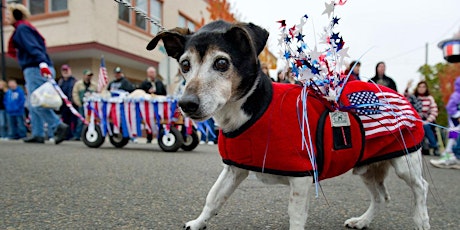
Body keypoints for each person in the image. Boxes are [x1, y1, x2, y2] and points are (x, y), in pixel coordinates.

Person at [5, 3, 69, 144]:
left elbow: (33, 47)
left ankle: (57, 125)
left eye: (8, 15)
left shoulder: (22, 29)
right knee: (34, 101)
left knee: (36, 101)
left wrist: (42, 63)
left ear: (16, 15)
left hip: (35, 68)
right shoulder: (24, 28)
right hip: (35, 67)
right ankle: (38, 133)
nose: (6, 18)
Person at [430, 76, 460, 169]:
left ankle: (451, 154)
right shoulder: (456, 96)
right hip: (455, 122)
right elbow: (450, 108)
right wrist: (458, 116)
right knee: (452, 137)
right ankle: (449, 154)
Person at [405, 80, 439, 155]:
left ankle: (434, 146)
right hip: (416, 119)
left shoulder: (430, 98)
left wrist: (428, 120)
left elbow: (434, 111)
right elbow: (406, 98)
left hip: (427, 120)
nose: (421, 88)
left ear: (426, 88)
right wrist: (407, 87)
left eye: (423, 87)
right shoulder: (414, 98)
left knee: (426, 126)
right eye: (419, 87)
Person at [140, 66, 167, 143]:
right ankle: (149, 138)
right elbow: (141, 93)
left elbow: (164, 93)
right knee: (149, 120)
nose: (152, 74)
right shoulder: (144, 83)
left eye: (153, 72)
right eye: (150, 72)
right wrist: (149, 92)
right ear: (147, 74)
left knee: (160, 120)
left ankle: (161, 137)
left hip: (159, 106)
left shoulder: (159, 83)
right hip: (148, 106)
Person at [72, 69, 97, 141]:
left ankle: (87, 135)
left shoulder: (94, 85)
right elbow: (75, 93)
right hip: (82, 105)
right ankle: (77, 135)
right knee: (80, 120)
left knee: (90, 120)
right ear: (84, 76)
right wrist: (78, 103)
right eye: (87, 75)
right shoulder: (78, 84)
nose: (89, 77)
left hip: (91, 106)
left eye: (90, 76)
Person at [58, 64, 78, 140]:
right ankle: (65, 135)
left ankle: (73, 135)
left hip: (72, 105)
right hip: (63, 105)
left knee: (73, 121)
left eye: (66, 70)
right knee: (65, 120)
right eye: (63, 70)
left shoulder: (74, 81)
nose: (65, 72)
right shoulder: (60, 82)